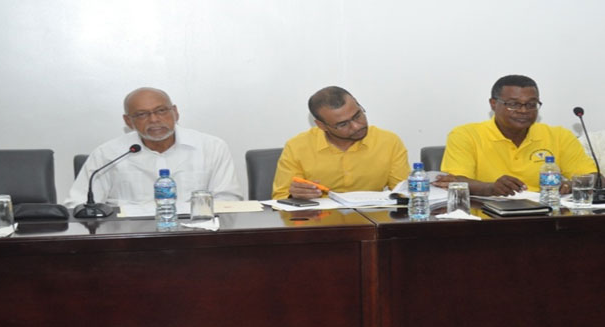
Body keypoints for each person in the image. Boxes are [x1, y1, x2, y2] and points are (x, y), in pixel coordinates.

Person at [64, 87, 242, 207]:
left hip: (196, 237)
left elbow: (228, 201)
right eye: (142, 114)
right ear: (128, 121)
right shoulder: (108, 154)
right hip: (128, 242)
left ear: (175, 112)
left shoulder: (212, 147)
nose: (154, 119)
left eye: (161, 111)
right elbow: (78, 204)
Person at [434, 75, 596, 196]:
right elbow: (454, 182)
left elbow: (593, 176)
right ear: (493, 103)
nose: (523, 111)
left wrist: (569, 184)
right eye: (513, 104)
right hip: (487, 222)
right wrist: (491, 188)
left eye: (531, 104)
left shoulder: (559, 135)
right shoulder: (466, 135)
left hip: (546, 220)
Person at [272, 86, 410, 200]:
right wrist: (294, 195)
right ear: (322, 126)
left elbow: (404, 193)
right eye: (343, 124)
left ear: (358, 104)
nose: (356, 126)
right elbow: (279, 198)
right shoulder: (297, 147)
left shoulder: (388, 141)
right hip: (320, 225)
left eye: (358, 115)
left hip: (373, 223)